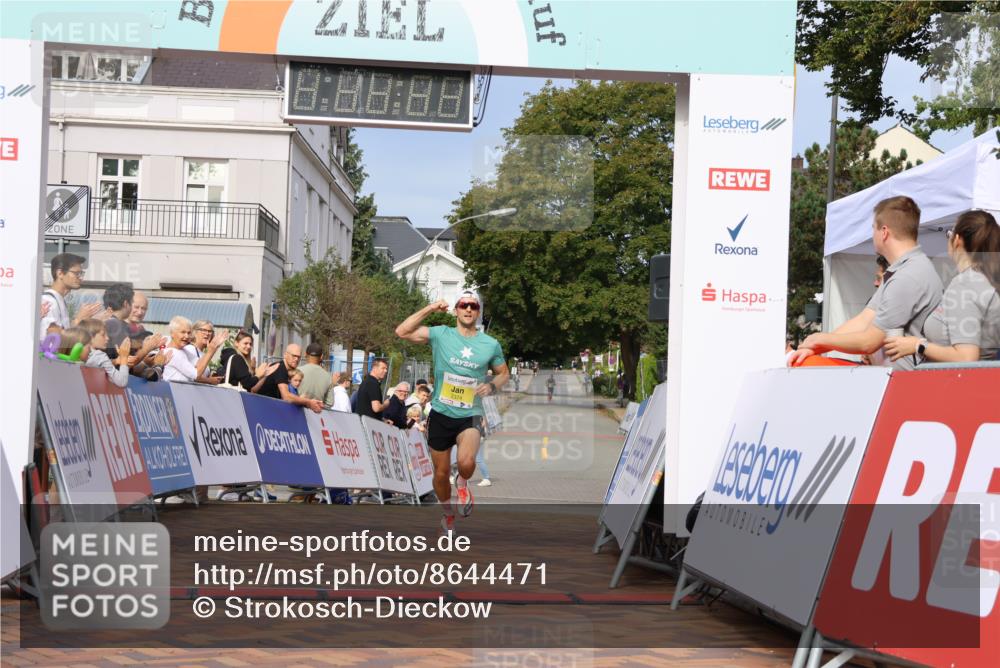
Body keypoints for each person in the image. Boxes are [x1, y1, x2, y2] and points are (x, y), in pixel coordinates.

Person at [395, 291, 509, 533]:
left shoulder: (490, 344)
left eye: (473, 306)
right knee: (441, 472)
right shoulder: (441, 334)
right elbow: (402, 331)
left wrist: (491, 385)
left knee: (467, 463)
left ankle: (463, 481)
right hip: (441, 412)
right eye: (463, 305)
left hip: (470, 413)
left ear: (478, 312)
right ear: (456, 309)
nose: (468, 309)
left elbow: (504, 373)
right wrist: (430, 308)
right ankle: (447, 514)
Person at [788, 196, 943, 370]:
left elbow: (869, 342)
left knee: (805, 365)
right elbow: (864, 319)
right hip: (891, 379)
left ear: (884, 232)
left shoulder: (908, 276)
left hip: (904, 385)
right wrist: (816, 346)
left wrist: (820, 340)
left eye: (873, 229)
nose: (872, 235)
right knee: (807, 361)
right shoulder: (902, 271)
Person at [884, 210, 1000, 363]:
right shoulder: (986, 280)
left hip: (961, 383)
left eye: (949, 234)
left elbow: (966, 358)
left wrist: (918, 345)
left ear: (957, 240)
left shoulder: (965, 284)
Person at [39, 253, 103, 339]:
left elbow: (64, 331)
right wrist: (78, 319)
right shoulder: (48, 302)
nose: (80, 278)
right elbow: (53, 340)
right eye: (76, 273)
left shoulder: (59, 300)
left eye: (81, 274)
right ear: (60, 273)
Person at [257, 344, 324, 413]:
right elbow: (286, 396)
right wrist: (308, 402)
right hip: (262, 409)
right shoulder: (280, 368)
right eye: (294, 356)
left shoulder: (285, 369)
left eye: (299, 357)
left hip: (267, 409)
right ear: (285, 355)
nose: (296, 359)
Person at [163, 316, 226, 382]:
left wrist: (213, 347)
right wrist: (211, 350)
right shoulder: (174, 353)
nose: (186, 336)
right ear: (172, 333)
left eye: (189, 333)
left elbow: (199, 363)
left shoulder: (183, 351)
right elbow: (196, 375)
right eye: (183, 332)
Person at [79, 319, 131, 387]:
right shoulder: (100, 355)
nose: (107, 338)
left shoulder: (80, 353)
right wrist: (124, 357)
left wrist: (115, 361)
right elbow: (121, 381)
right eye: (103, 335)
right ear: (90, 337)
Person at [101, 282, 134, 354]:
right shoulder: (116, 325)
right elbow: (126, 358)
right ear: (126, 304)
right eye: (131, 302)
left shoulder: (104, 323)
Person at [191, 320, 225, 384]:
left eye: (210, 331)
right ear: (195, 332)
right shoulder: (190, 349)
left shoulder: (203, 353)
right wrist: (209, 380)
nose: (207, 333)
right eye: (203, 330)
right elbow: (192, 375)